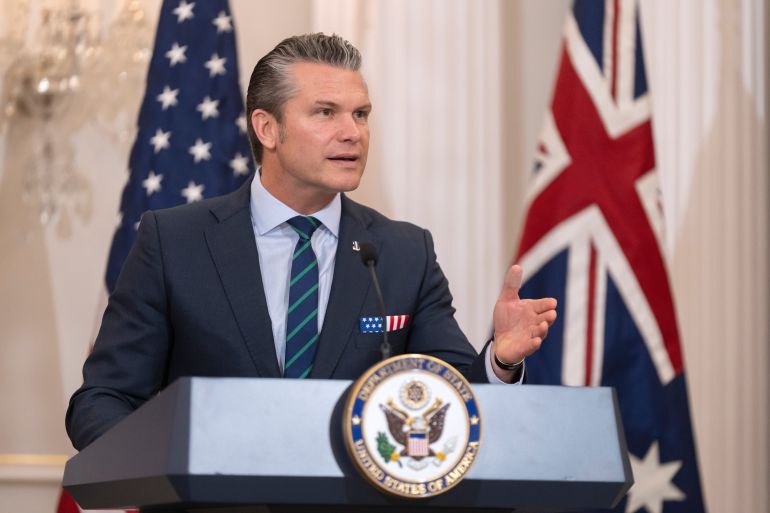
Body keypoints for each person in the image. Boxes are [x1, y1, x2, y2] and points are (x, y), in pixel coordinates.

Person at [66, 33, 557, 451]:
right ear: (267, 128)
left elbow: (446, 402)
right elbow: (102, 399)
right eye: (326, 112)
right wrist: (170, 466)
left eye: (361, 114)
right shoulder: (175, 241)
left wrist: (500, 360)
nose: (353, 133)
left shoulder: (404, 253)